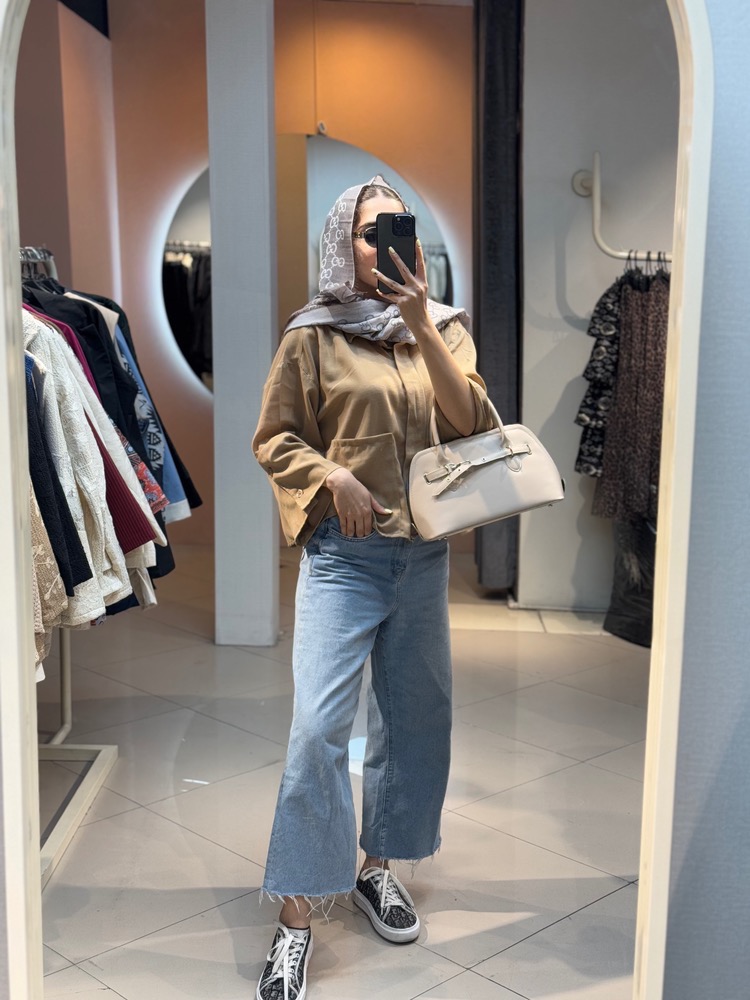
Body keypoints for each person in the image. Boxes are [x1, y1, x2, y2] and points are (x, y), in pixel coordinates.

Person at [252, 175, 493, 1000]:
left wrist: (422, 322)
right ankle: (295, 920)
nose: (385, 242)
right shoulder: (312, 336)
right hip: (343, 558)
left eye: (397, 226)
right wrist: (331, 476)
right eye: (367, 231)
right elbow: (275, 436)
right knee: (317, 732)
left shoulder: (444, 328)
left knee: (415, 721)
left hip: (424, 560)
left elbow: (471, 423)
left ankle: (375, 867)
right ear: (340, 244)